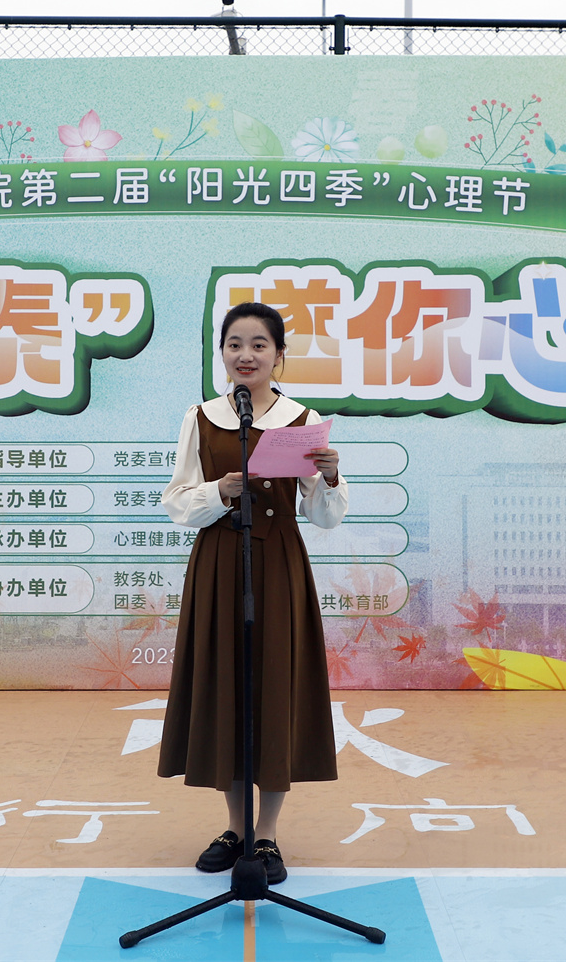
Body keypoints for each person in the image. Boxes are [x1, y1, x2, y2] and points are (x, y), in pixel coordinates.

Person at [158, 300, 345, 885]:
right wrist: (220, 490)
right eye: (235, 344)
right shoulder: (201, 418)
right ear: (221, 352)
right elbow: (176, 503)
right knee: (228, 690)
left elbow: (324, 516)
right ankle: (234, 828)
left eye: (259, 345)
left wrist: (330, 476)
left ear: (278, 355)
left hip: (279, 566)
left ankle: (266, 834)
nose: (246, 355)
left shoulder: (302, 419)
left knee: (275, 690)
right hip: (220, 562)